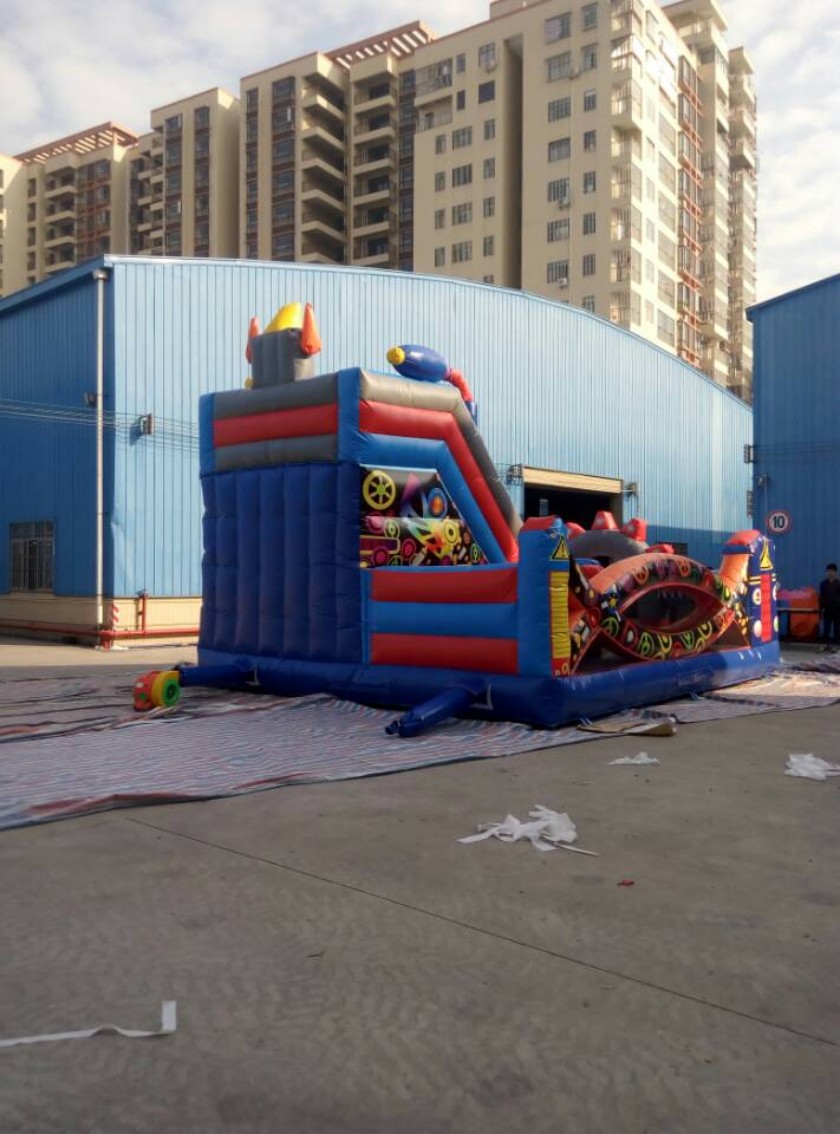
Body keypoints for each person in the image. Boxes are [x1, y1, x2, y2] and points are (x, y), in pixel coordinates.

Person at [818, 563, 840, 652]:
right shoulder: (823, 584)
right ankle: (825, 645)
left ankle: (835, 646)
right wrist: (821, 608)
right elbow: (821, 597)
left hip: (837, 610)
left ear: (835, 572)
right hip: (827, 609)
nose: (830, 573)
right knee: (826, 628)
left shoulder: (838, 584)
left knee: (836, 629)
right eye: (828, 571)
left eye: (832, 571)